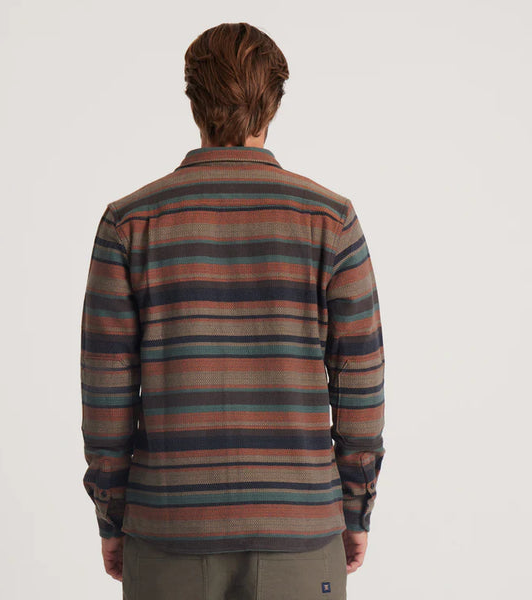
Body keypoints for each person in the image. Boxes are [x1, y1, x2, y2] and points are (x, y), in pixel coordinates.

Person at [80, 22, 386, 600]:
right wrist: (355, 507)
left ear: (193, 100)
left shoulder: (129, 223)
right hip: (300, 530)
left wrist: (112, 515)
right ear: (274, 103)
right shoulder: (331, 221)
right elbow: (360, 385)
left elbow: (106, 392)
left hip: (167, 528)